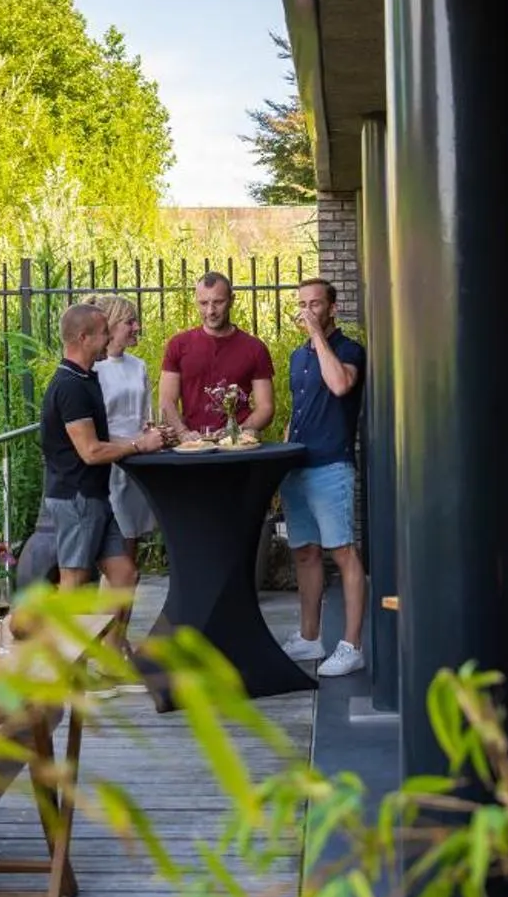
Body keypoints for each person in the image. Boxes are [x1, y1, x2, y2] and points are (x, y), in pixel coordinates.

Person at [275, 278, 370, 678]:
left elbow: (339, 385)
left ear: (332, 308)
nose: (307, 311)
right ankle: (310, 636)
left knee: (342, 553)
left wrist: (317, 335)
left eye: (315, 304)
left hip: (332, 466)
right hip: (297, 467)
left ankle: (351, 646)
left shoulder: (349, 350)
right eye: (302, 304)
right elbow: (299, 413)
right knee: (305, 553)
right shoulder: (298, 357)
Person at [41, 301, 166, 590]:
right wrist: (138, 445)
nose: (109, 339)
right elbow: (91, 451)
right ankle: (53, 636)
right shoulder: (70, 386)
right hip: (76, 497)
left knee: (125, 576)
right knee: (74, 579)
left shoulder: (86, 378)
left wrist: (145, 441)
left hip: (96, 496)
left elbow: (104, 438)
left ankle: (114, 638)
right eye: (102, 333)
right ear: (83, 338)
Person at [158, 271, 274, 436]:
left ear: (232, 301)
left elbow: (266, 408)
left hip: (237, 448)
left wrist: (237, 433)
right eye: (204, 303)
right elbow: (166, 401)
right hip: (192, 446)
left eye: (218, 302)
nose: (211, 311)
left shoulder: (254, 348)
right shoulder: (178, 345)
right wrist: (183, 433)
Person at [89, 294, 161, 552]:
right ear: (110, 325)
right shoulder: (94, 370)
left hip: (138, 463)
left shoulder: (138, 366)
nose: (137, 327)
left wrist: (155, 433)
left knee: (131, 548)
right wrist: (138, 443)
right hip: (110, 462)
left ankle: (124, 592)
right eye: (130, 322)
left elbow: (146, 415)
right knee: (117, 550)